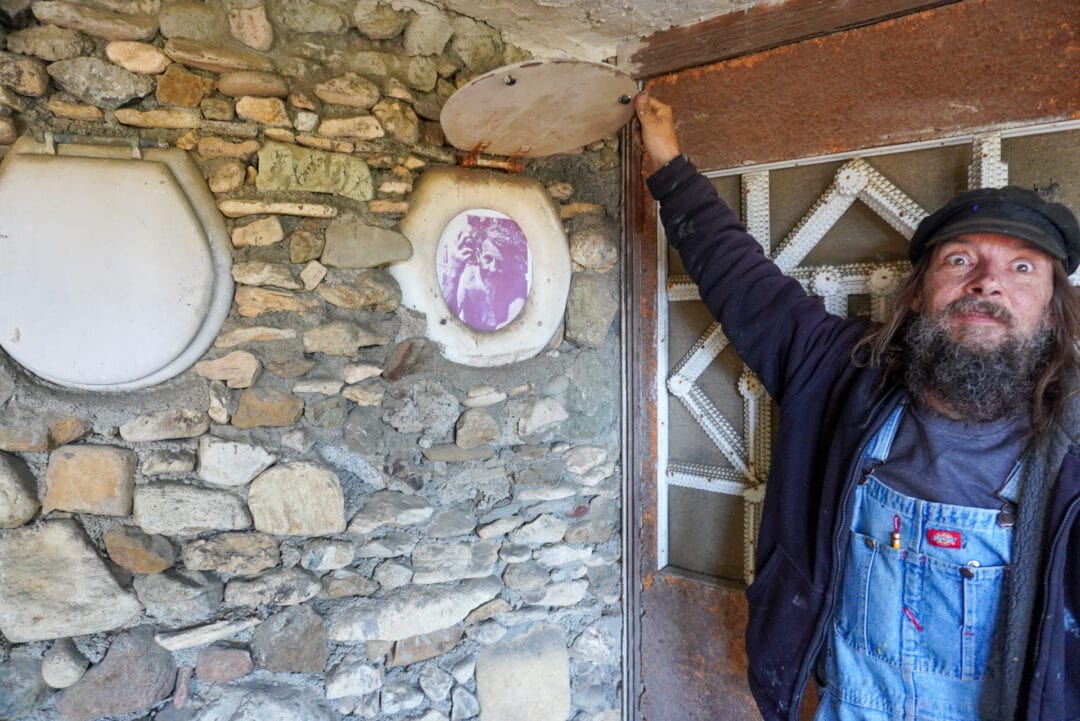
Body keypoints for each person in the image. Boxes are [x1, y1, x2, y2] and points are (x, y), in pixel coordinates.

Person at [634, 91, 1080, 721]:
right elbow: (743, 282)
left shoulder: (1073, 446)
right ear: (921, 293)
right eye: (960, 260)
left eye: (1023, 267)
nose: (987, 281)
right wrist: (668, 165)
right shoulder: (843, 377)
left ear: (1053, 310)